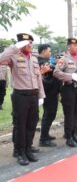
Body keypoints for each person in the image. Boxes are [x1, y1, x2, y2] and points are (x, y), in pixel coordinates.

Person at [0, 33, 45, 166]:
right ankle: (20, 152)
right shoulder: (13, 56)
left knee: (32, 124)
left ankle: (28, 149)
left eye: (31, 43)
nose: (30, 45)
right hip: (20, 96)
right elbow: (1, 59)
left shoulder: (34, 59)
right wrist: (14, 47)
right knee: (20, 125)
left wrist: (41, 95)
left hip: (33, 95)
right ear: (20, 44)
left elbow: (38, 79)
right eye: (27, 43)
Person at [54, 38, 77, 147]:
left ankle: (74, 134)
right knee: (69, 113)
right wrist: (70, 76)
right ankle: (68, 136)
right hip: (68, 88)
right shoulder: (63, 59)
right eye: (74, 45)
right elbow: (56, 73)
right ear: (68, 47)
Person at [38, 44, 62, 147]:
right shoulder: (40, 62)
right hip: (48, 93)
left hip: (52, 91)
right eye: (49, 51)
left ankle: (45, 134)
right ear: (43, 51)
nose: (50, 53)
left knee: (50, 114)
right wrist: (57, 66)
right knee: (49, 114)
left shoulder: (45, 61)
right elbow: (52, 70)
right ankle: (43, 139)